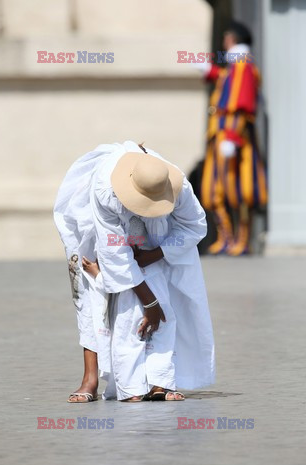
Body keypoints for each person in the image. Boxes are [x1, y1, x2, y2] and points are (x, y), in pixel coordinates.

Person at [54, 141, 215, 402]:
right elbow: (114, 255)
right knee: (94, 297)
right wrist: (149, 302)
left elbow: (194, 226)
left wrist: (154, 255)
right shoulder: (104, 190)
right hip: (94, 228)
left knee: (166, 317)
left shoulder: (177, 186)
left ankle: (159, 381)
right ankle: (95, 378)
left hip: (153, 242)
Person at [198, 21, 267, 255]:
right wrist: (208, 70)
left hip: (232, 138)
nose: (224, 41)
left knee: (239, 189)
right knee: (214, 189)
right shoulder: (234, 66)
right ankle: (226, 237)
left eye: (227, 37)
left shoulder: (243, 65)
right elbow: (224, 81)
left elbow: (241, 102)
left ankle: (241, 239)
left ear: (234, 39)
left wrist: (231, 136)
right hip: (220, 136)